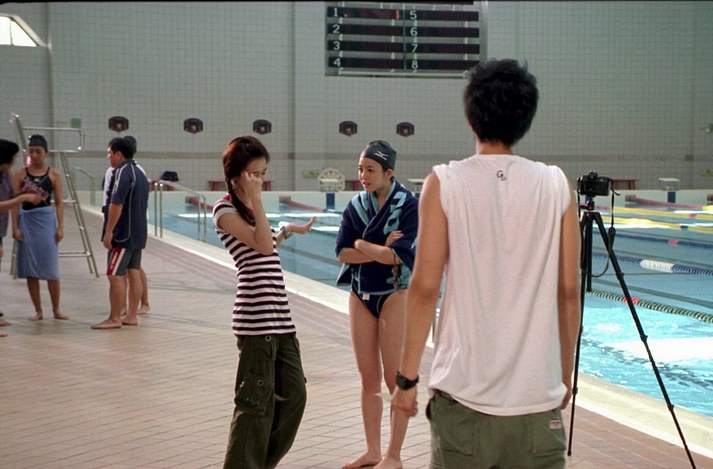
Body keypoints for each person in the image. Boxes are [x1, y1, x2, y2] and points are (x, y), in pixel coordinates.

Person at [391, 58, 582, 468]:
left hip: (464, 401)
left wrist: (406, 380)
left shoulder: (445, 182)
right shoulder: (556, 184)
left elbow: (424, 289)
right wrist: (564, 376)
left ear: (470, 117)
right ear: (526, 119)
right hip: (537, 405)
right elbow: (569, 292)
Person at [212, 135, 315, 468]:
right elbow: (262, 246)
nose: (260, 180)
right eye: (254, 174)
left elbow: (267, 244)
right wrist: (257, 201)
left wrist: (287, 230)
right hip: (256, 321)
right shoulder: (224, 209)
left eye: (263, 173)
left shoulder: (250, 208)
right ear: (235, 175)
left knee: (295, 396)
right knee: (255, 406)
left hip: (280, 318)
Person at [335, 140, 419, 469]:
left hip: (395, 293)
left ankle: (393, 456)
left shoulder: (408, 205)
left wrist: (362, 244)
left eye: (370, 170)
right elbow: (342, 253)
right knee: (368, 379)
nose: (363, 176)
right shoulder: (356, 205)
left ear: (389, 172)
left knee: (393, 378)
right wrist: (376, 247)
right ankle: (372, 451)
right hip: (360, 294)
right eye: (360, 169)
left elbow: (399, 257)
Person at [92, 136, 150, 329]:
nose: (108, 157)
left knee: (115, 275)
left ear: (118, 154)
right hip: (138, 232)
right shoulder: (139, 172)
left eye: (109, 153)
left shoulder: (121, 173)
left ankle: (115, 318)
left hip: (123, 233)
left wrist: (109, 231)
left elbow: (116, 203)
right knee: (133, 272)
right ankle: (131, 316)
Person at [11, 134, 68, 321]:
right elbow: (14, 203)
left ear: (46, 153)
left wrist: (60, 226)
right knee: (31, 269)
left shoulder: (54, 174)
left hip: (46, 221)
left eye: (38, 152)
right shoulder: (21, 174)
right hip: (27, 221)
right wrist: (15, 227)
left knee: (51, 269)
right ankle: (38, 310)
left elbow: (59, 202)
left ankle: (56, 309)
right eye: (31, 151)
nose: (34, 155)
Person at [0, 139, 43, 336]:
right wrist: (22, 198)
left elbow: (10, 196)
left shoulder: (5, 174)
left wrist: (23, 192)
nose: (15, 161)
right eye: (13, 157)